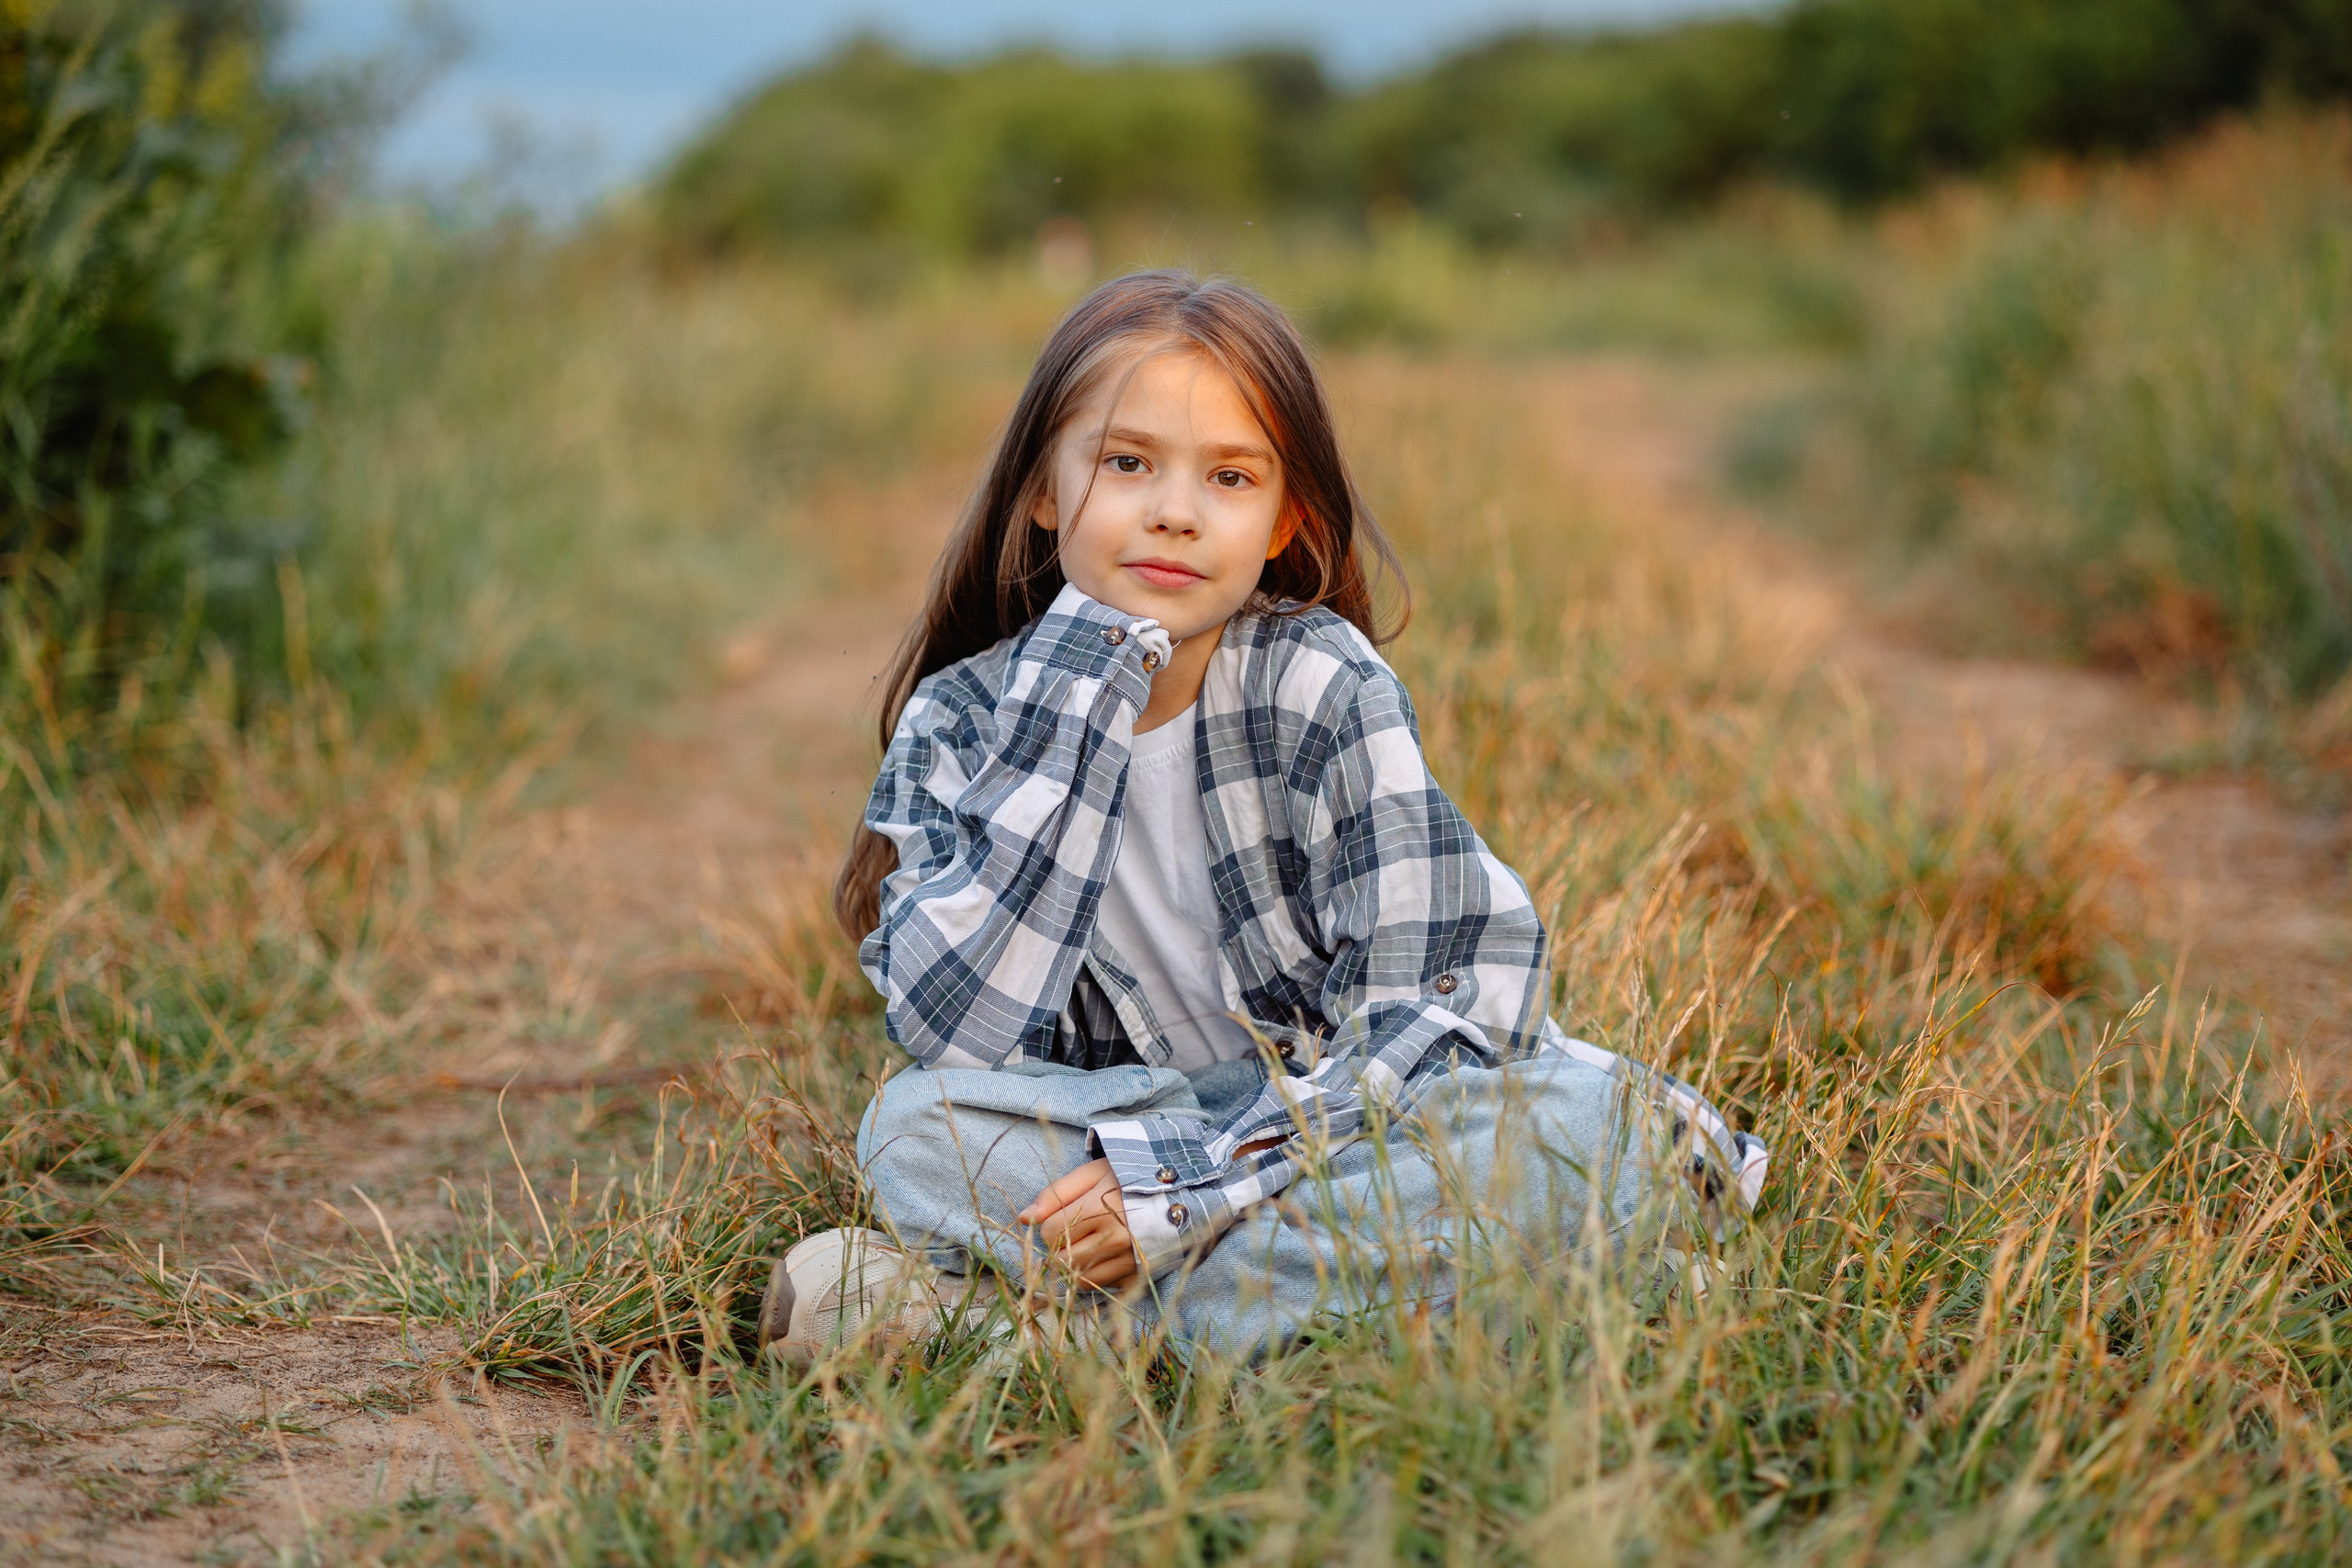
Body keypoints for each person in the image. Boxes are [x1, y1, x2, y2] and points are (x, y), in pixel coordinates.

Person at [758, 270, 1767, 1362]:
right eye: (1125, 462)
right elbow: (962, 1037)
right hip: (1133, 1125)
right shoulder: (960, 723)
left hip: (1346, 1124)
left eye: (1228, 477)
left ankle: (1050, 1344)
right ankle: (1501, 1306)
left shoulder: (1319, 683)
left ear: (1285, 518)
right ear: (1043, 489)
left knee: (1597, 1139)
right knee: (914, 1135)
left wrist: (1192, 1188)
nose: (1175, 510)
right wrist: (1079, 686)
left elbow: (1454, 1009)